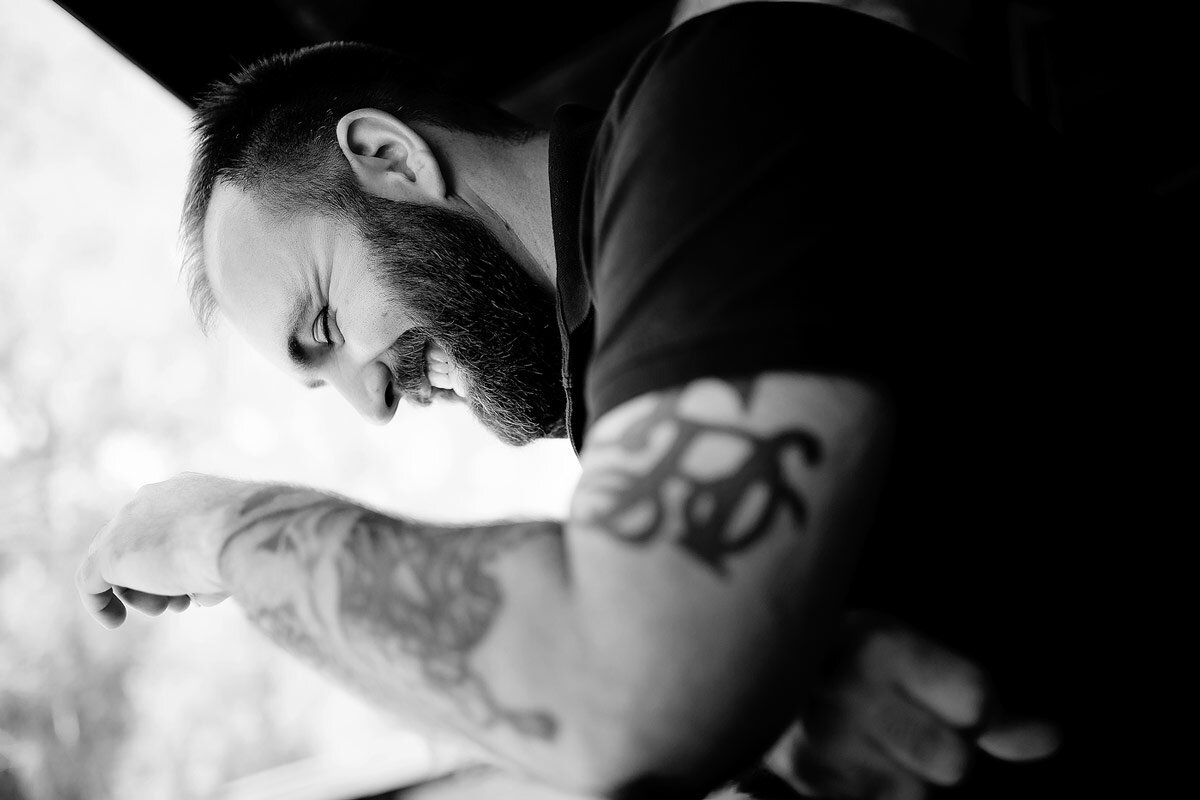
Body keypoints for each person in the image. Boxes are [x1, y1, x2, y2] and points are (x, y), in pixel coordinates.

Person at [76, 3, 1118, 798]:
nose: (372, 400)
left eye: (327, 324)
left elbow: (617, 682)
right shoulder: (629, 351)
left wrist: (222, 528)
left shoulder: (704, 115)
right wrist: (756, 679)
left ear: (390, 157)